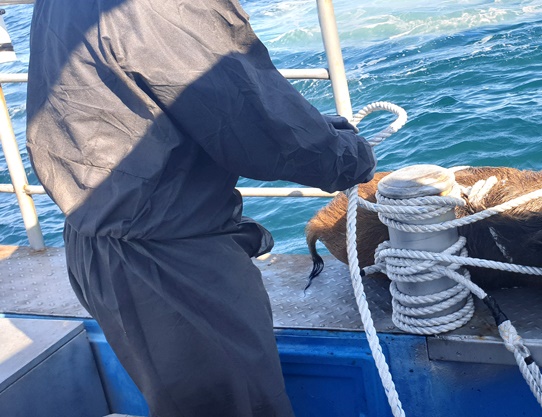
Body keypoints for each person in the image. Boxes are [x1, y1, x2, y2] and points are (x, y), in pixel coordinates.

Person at [25, 0, 376, 415]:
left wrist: (322, 132)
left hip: (101, 242)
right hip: (166, 266)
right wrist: (348, 156)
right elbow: (254, 123)